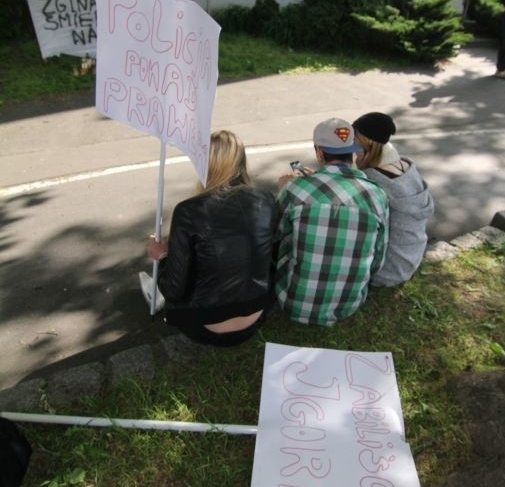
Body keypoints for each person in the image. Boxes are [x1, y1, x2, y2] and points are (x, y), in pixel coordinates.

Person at [146, 130, 278, 346]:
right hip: (257, 314)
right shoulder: (266, 200)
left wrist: (161, 256)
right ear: (241, 161)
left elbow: (173, 290)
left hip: (205, 326)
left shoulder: (188, 211)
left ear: (204, 164)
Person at [274, 118, 389, 326]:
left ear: (319, 152)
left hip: (290, 300)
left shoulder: (295, 189)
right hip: (349, 305)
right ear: (353, 152)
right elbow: (378, 260)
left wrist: (284, 189)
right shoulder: (377, 195)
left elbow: (275, 238)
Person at [352, 112, 434, 288]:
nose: (351, 147)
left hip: (387, 270)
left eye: (355, 141)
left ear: (368, 144)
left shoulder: (373, 179)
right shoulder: (406, 165)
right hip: (412, 255)